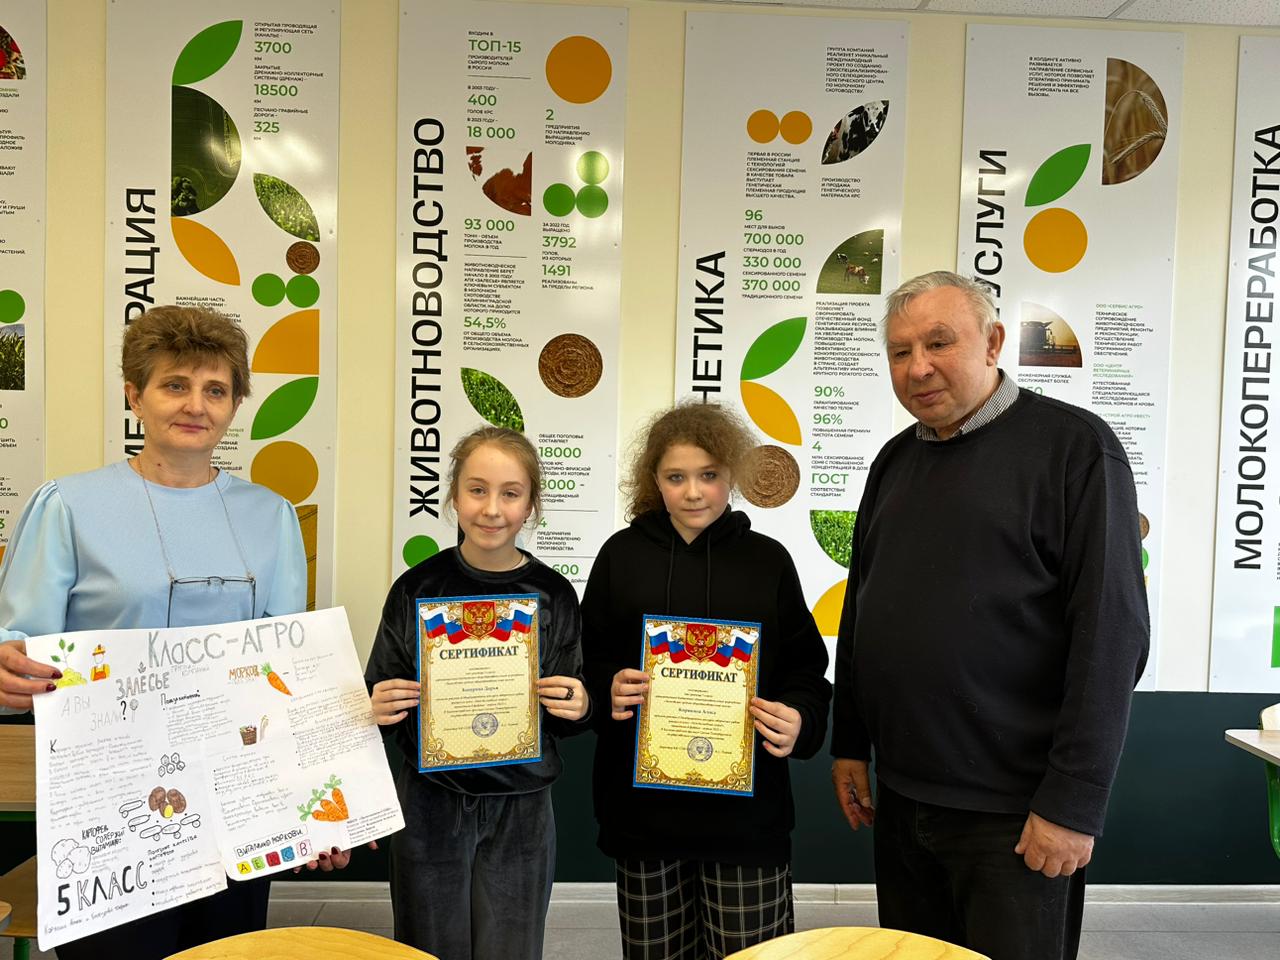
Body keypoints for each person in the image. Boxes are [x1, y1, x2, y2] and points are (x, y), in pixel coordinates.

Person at [0, 305, 351, 959]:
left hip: (235, 804)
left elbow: (288, 679)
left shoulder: (272, 517)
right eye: (174, 385)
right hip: (108, 809)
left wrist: (316, 802)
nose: (196, 405)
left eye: (215, 389)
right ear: (134, 395)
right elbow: (18, 650)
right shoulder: (68, 506)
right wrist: (8, 670)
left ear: (235, 404)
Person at [831, 271, 1150, 960]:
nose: (918, 367)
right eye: (899, 351)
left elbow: (1112, 636)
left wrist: (1073, 803)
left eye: (939, 342)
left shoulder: (1075, 450)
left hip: (1015, 815)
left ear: (994, 342)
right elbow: (862, 610)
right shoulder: (893, 461)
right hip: (903, 799)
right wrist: (849, 741)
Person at [582, 402, 832, 960]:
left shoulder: (768, 561)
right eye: (676, 477)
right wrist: (606, 689)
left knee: (753, 954)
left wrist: (800, 718)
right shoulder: (621, 556)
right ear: (654, 480)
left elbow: (806, 671)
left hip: (747, 819)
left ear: (731, 474)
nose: (693, 492)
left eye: (709, 475)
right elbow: (586, 660)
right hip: (642, 814)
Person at [366, 426, 591, 960]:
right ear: (453, 495)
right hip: (431, 799)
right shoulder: (416, 588)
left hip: (522, 803)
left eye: (510, 493)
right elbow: (379, 690)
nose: (492, 509)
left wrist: (579, 705)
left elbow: (569, 706)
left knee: (511, 945)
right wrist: (375, 704)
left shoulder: (553, 594)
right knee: (427, 945)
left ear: (531, 505)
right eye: (477, 489)